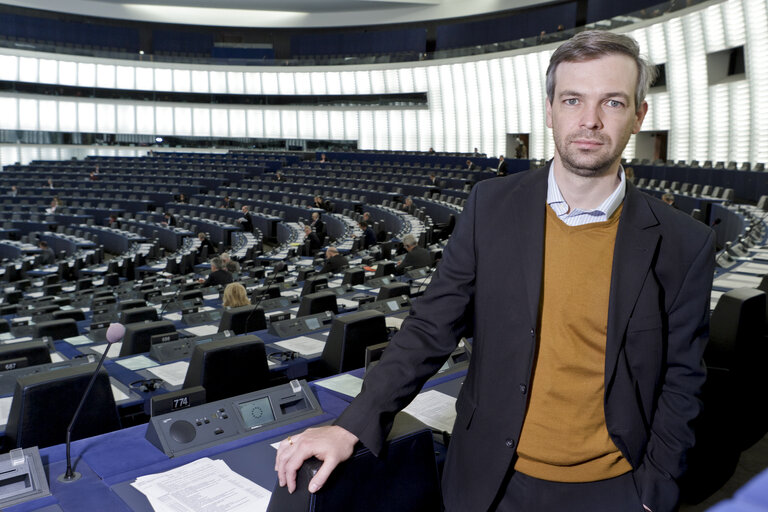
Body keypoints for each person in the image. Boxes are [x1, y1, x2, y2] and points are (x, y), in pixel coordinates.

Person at [275, 30, 715, 512]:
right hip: (490, 482)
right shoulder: (491, 205)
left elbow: (682, 380)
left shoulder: (684, 243)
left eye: (612, 102)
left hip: (615, 490)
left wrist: (654, 493)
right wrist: (353, 423)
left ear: (638, 116)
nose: (589, 120)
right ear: (550, 110)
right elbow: (430, 327)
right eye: (573, 100)